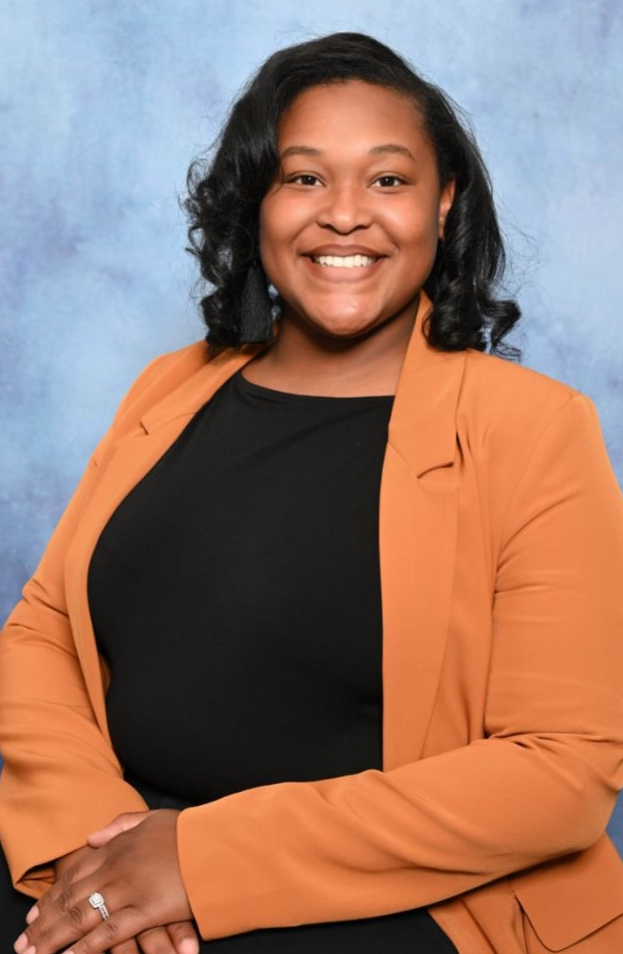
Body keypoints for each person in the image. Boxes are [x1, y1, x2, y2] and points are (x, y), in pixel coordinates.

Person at [1, 30, 623, 954]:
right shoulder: (169, 389)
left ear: (443, 203)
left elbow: (559, 771)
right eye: (302, 178)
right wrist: (93, 854)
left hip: (397, 904)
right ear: (255, 203)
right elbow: (44, 631)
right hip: (118, 846)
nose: (343, 216)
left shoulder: (531, 429)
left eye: (387, 180)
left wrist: (201, 862)